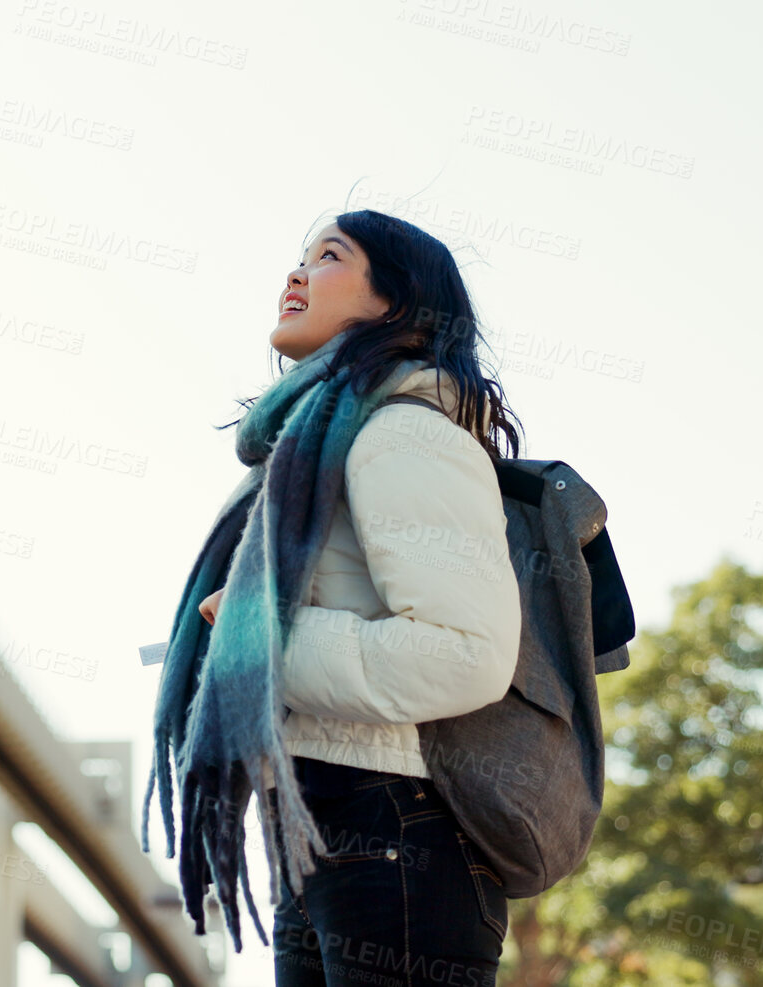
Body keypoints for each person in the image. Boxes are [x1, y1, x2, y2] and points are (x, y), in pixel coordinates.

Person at [198, 209, 524, 987]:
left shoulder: (402, 434)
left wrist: (263, 644)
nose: (295, 274)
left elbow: (465, 652)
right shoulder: (322, 443)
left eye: (329, 256)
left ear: (397, 304)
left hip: (390, 825)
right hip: (323, 823)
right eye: (298, 257)